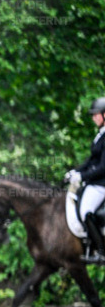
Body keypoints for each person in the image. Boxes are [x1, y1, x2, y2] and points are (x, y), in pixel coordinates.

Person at [65, 96, 105, 262]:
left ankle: (102, 252)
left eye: (96, 114)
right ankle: (88, 245)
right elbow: (91, 161)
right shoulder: (100, 135)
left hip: (102, 184)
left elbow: (103, 167)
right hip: (94, 182)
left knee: (85, 211)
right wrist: (75, 171)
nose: (93, 117)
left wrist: (82, 176)